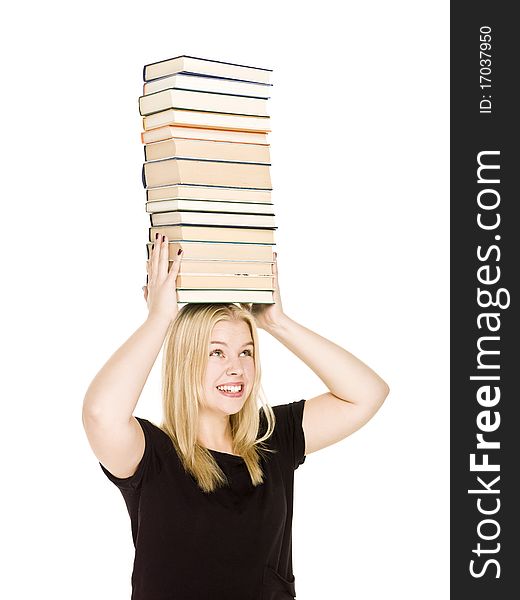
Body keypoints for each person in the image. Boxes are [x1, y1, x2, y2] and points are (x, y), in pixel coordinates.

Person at [82, 233, 389, 600]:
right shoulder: (151, 456)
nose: (236, 368)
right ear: (185, 362)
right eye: (216, 353)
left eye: (246, 352)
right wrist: (159, 319)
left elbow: (367, 394)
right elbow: (101, 413)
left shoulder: (271, 439)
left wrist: (276, 322)